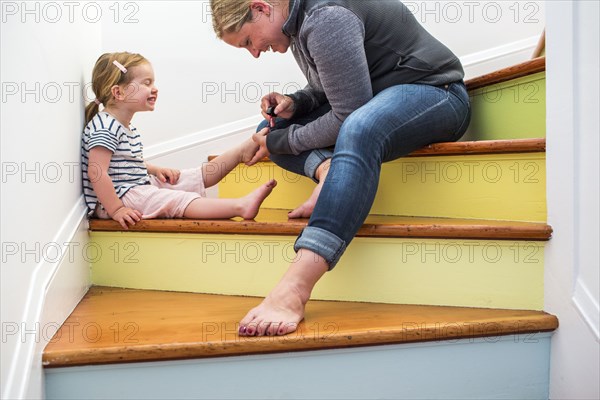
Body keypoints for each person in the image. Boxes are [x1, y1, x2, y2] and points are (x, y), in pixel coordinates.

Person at [210, 0, 471, 336]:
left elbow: (349, 114)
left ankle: (296, 286)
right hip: (379, 100)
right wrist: (297, 103)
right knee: (274, 129)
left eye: (248, 41)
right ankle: (327, 170)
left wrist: (281, 144)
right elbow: (328, 89)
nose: (255, 53)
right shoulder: (298, 21)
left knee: (355, 128)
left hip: (438, 94)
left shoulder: (325, 17)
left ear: (261, 8)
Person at [82, 52, 277, 229]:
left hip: (135, 187)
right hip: (121, 198)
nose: (155, 89)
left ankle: (240, 152)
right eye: (146, 83)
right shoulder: (105, 127)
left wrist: (154, 170)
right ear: (119, 92)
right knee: (176, 199)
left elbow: (123, 162)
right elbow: (97, 171)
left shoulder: (121, 125)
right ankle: (240, 206)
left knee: (191, 177)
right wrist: (116, 209)